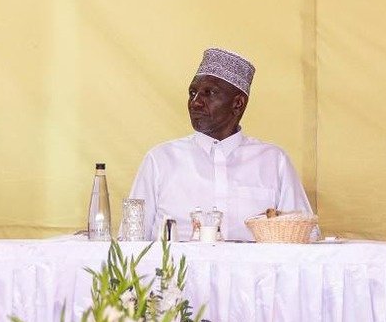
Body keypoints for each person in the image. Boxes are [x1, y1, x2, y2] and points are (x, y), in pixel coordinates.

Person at [127, 48, 310, 242]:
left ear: (237, 104)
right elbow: (130, 243)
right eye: (193, 93)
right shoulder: (160, 160)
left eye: (209, 93)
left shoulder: (273, 161)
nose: (195, 103)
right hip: (176, 272)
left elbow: (305, 238)